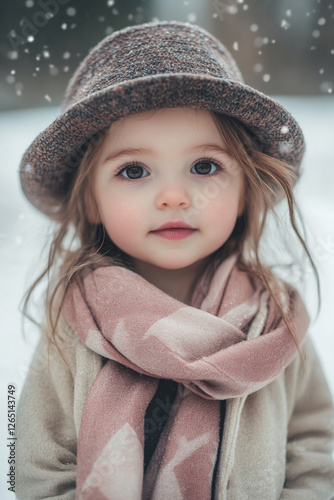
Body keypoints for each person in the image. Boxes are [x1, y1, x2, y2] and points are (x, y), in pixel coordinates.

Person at [16, 21, 334, 500]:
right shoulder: (76, 322)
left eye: (204, 166)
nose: (172, 196)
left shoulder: (272, 322)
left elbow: (317, 444)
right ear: (90, 200)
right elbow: (36, 467)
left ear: (246, 189)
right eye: (133, 170)